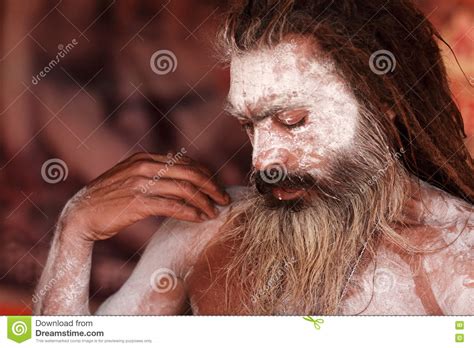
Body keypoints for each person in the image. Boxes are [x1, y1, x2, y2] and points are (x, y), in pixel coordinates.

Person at [35, 0, 473, 315]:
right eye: (250, 126)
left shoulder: (459, 257)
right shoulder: (206, 230)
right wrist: (76, 230)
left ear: (382, 102)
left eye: (292, 119)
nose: (264, 161)